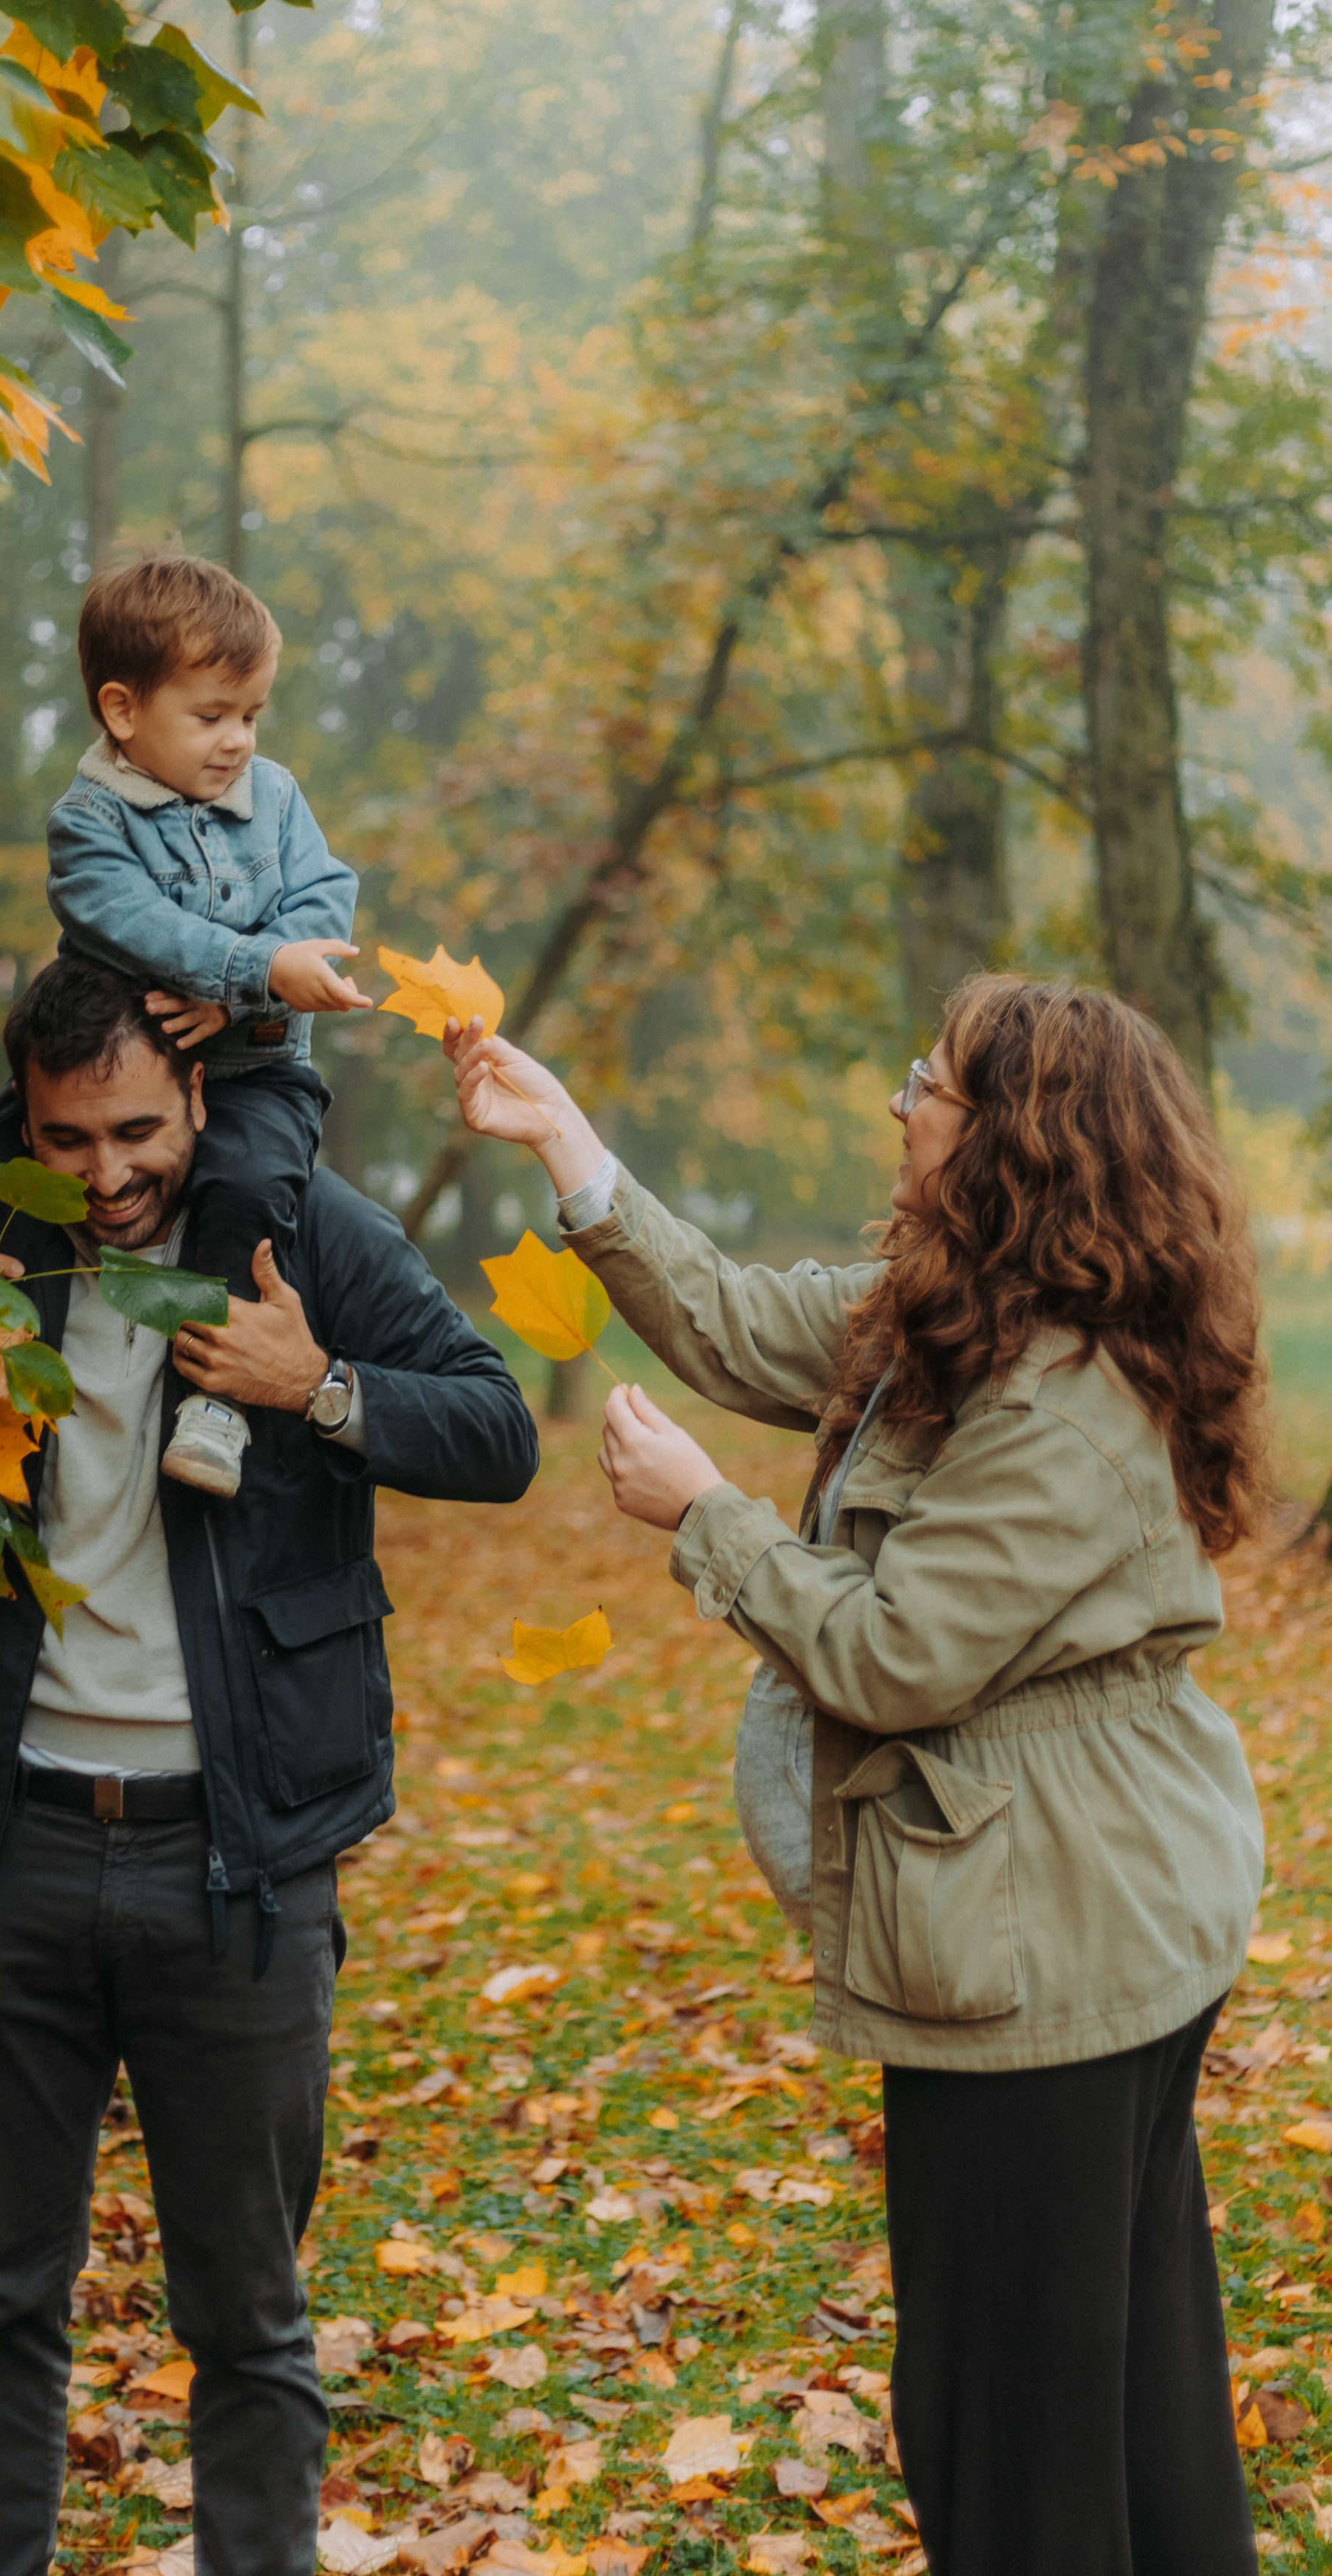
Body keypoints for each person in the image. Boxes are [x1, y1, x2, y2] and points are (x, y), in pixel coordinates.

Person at [447, 975, 1266, 2576]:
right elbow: (742, 1322)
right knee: (1116, 2388)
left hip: (1043, 1947)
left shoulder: (1065, 1399)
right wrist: (571, 1153)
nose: (900, 1103)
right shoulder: (959, 1317)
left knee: (1005, 2423)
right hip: (1069, 1923)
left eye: (929, 1085)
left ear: (1012, 1142)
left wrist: (705, 1517)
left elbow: (897, 1653)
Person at [0, 953, 540, 2576]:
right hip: (9, 1842)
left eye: (134, 1131)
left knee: (248, 2315)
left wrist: (309, 1386)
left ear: (198, 1096)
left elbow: (496, 1428)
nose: (106, 1174)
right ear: (21, 1121)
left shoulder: (299, 1233)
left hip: (234, 1861)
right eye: (67, 1137)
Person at [47, 552, 375, 1496]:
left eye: (251, 714)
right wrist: (250, 962)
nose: (237, 740)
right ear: (122, 711)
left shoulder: (273, 798)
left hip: (257, 1071)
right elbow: (126, 917)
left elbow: (322, 897)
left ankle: (215, 1405)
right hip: (124, 1078)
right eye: (210, 715)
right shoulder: (89, 820)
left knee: (248, 1186)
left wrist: (243, 988)